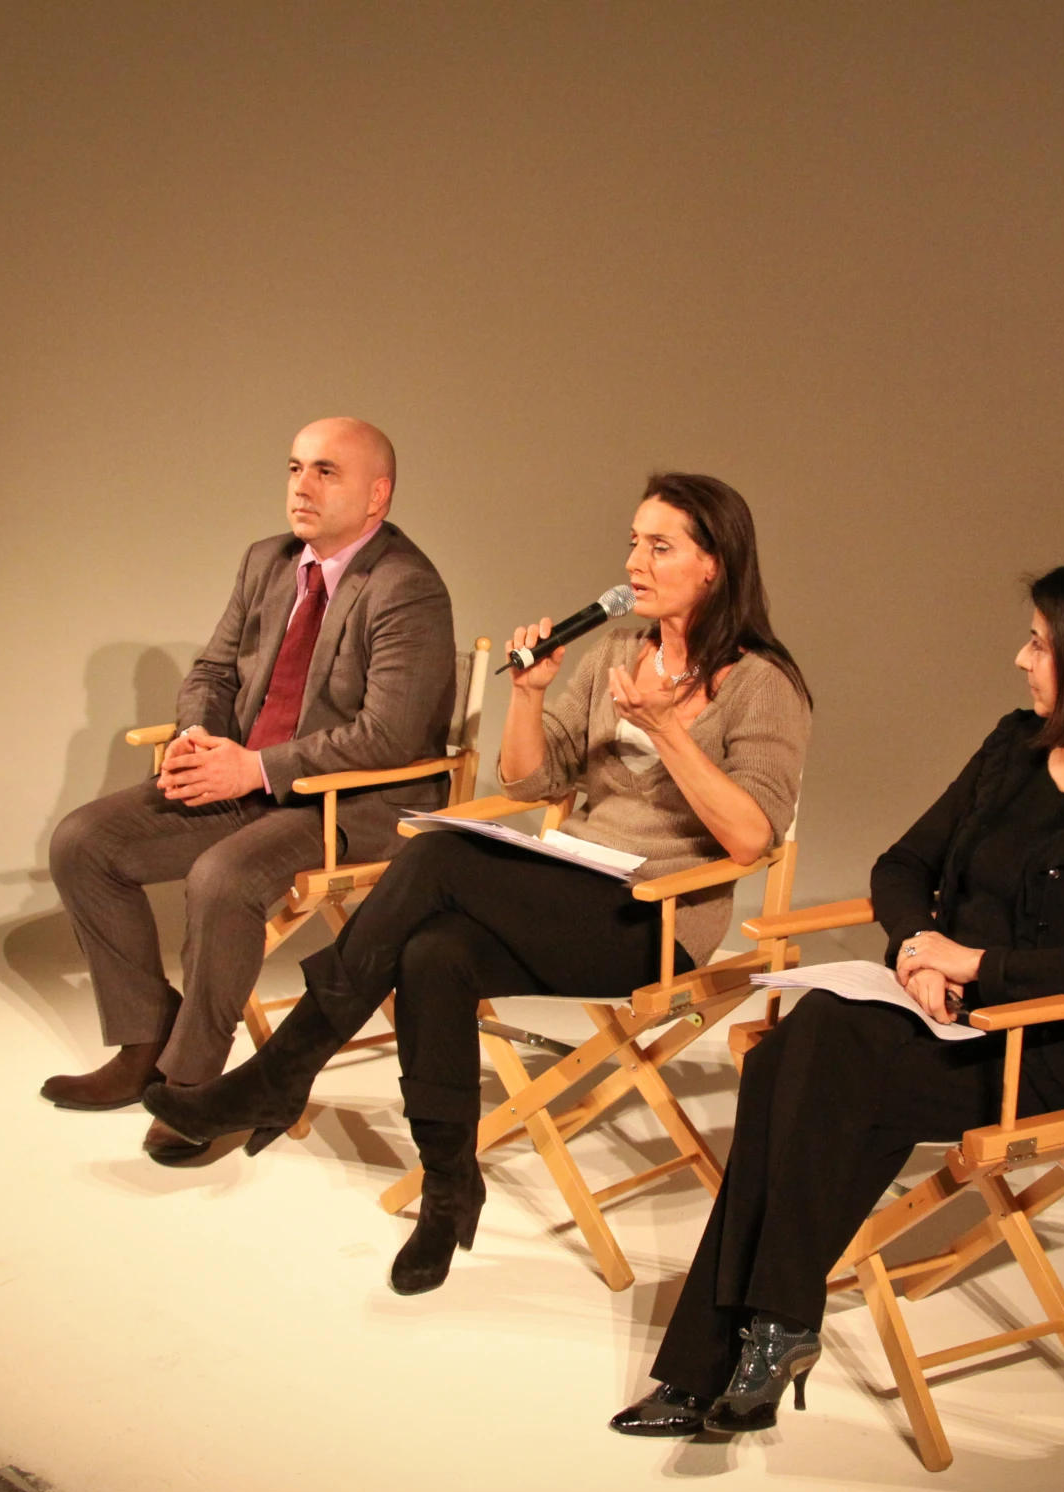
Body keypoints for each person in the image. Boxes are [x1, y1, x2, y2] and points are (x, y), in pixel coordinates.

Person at [144, 473, 813, 1294]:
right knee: (433, 952)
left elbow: (751, 836)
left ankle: (284, 1068)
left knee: (436, 857)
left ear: (715, 566)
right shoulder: (612, 651)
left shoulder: (763, 684)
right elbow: (529, 782)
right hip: (574, 884)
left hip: (659, 918)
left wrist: (667, 729)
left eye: (660, 546)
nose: (635, 561)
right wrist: (530, 696)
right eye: (633, 541)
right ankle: (448, 1190)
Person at [610, 557, 1064, 1439]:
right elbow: (902, 866)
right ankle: (771, 1334)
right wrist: (913, 955)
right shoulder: (1015, 747)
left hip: (1043, 1051)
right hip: (939, 1019)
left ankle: (720, 1353)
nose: (1021, 658)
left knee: (801, 1063)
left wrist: (972, 963)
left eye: (1041, 644)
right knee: (807, 1049)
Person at [43, 418, 457, 1164]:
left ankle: (195, 1080)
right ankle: (145, 1039)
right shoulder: (267, 561)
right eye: (295, 467)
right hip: (250, 776)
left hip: (354, 800)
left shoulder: (408, 588)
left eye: (326, 471)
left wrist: (254, 770)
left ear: (377, 495)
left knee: (223, 875)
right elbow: (213, 672)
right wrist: (202, 737)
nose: (302, 485)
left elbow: (389, 738)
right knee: (83, 841)